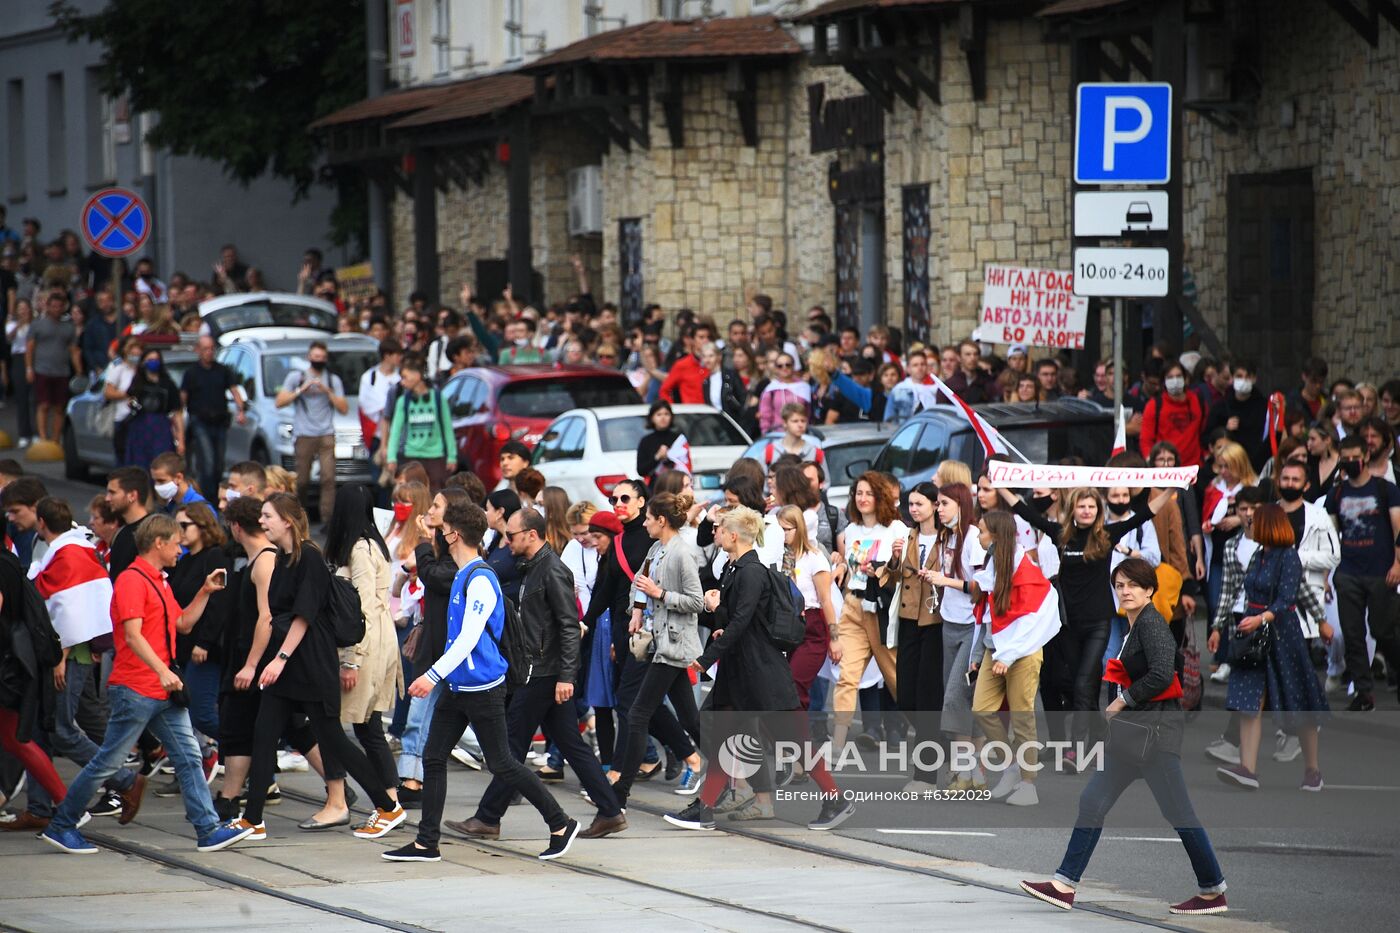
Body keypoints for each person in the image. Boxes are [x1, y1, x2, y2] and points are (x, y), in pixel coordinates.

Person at [1020, 559, 1227, 917]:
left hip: (1156, 736)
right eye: (1119, 585)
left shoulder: (1152, 624)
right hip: (1133, 736)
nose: (1125, 591)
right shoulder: (1135, 626)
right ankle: (1064, 884)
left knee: (1179, 813)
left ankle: (1212, 890)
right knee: (1092, 802)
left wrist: (1122, 700)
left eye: (1133, 585)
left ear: (1149, 590)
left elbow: (1163, 674)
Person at [40, 514, 253, 855]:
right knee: (108, 763)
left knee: (188, 756)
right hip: (137, 687)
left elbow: (181, 623)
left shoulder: (158, 580)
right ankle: (62, 824)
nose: (180, 549)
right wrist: (163, 671)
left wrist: (203, 592)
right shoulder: (133, 581)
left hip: (160, 689)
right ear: (159, 543)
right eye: (175, 543)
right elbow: (132, 635)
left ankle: (208, 828)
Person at [385, 501, 581, 862]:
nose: (440, 535)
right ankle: (427, 842)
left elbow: (470, 638)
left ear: (454, 534)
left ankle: (560, 822)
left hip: (482, 688)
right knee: (433, 756)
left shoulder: (480, 579)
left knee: (503, 762)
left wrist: (431, 676)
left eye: (442, 530)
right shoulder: (464, 575)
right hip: (459, 686)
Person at [665, 506, 853, 832]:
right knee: (724, 735)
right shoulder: (735, 569)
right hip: (742, 673)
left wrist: (706, 657)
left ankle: (835, 798)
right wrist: (715, 610)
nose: (716, 532)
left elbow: (741, 622)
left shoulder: (751, 572)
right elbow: (734, 621)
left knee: (794, 741)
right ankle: (706, 810)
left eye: (721, 528)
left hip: (762, 674)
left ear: (734, 535)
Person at [230, 494, 405, 842]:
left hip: (310, 663)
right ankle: (253, 819)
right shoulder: (281, 557)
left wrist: (278, 660)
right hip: (290, 664)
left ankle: (388, 806)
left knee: (334, 740)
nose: (262, 522)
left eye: (268, 516)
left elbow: (304, 616)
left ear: (288, 522)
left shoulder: (309, 557)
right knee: (264, 733)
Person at [457, 508, 627, 839]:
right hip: (538, 670)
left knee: (513, 744)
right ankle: (610, 810)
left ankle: (488, 817)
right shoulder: (533, 568)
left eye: (512, 536)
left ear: (531, 535)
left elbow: (568, 626)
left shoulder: (552, 570)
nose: (507, 544)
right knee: (569, 744)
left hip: (544, 673)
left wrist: (566, 676)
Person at [1002, 484, 1174, 739]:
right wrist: (1000, 485)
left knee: (1083, 683)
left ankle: (1075, 748)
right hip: (1069, 623)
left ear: (1098, 510)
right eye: (1081, 506)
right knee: (1082, 682)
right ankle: (1100, 731)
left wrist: (1172, 488)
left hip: (1098, 622)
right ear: (1073, 509)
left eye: (1091, 506)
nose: (1086, 511)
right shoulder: (1060, 534)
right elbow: (1025, 512)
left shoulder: (1107, 534)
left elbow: (1145, 513)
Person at [1209, 504, 1329, 791]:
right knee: (1249, 697)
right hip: (1252, 632)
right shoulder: (1259, 555)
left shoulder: (1288, 556)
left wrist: (1318, 619)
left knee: (1297, 696)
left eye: (1254, 521)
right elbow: (1238, 589)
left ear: (1268, 525)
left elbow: (1290, 596)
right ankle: (1247, 768)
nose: (1248, 524)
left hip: (1281, 633)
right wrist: (1219, 625)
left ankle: (1312, 770)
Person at [610, 492, 707, 810]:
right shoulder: (656, 548)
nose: (646, 522)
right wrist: (637, 608)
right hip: (659, 643)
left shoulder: (682, 553)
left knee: (637, 713)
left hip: (675, 646)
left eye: (649, 518)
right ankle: (738, 772)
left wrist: (661, 594)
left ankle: (620, 793)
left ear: (661, 521)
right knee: (691, 719)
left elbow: (696, 602)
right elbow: (639, 582)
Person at [320, 484, 403, 828]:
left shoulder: (359, 549)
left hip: (367, 645)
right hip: (379, 640)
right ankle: (388, 803)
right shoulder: (371, 544)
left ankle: (388, 805)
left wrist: (351, 659)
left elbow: (363, 605)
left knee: (361, 727)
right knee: (367, 728)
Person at [968, 510, 1062, 806]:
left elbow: (1033, 617)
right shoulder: (994, 561)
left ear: (995, 536)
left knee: (1022, 716)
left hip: (1022, 651)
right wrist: (979, 653)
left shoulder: (1023, 566)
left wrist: (1008, 656)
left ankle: (1028, 784)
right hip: (994, 648)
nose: (978, 535)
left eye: (982, 531)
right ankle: (1011, 765)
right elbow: (986, 615)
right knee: (982, 709)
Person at [1325, 434, 1400, 711]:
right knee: (1352, 632)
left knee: (1383, 630)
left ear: (1365, 456)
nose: (1350, 462)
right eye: (1345, 458)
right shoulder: (1337, 494)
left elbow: (1398, 528)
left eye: (1355, 457)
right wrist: (1327, 577)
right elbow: (1330, 539)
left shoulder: (1385, 489)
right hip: (1348, 572)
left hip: (1382, 571)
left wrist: (1398, 564)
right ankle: (1363, 693)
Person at [832, 473, 902, 746]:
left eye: (868, 494)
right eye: (858, 493)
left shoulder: (896, 529)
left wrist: (889, 564)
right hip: (853, 607)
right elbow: (851, 573)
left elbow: (902, 575)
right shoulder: (850, 531)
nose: (862, 499)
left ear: (880, 497)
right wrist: (839, 564)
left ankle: (930, 732)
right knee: (847, 678)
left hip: (882, 613)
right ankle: (838, 744)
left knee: (897, 678)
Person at [165, 502, 233, 763]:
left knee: (201, 712)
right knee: (182, 713)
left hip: (204, 649)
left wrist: (204, 642)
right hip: (183, 646)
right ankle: (195, 761)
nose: (179, 531)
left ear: (203, 526)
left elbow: (220, 603)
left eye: (184, 525)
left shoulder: (215, 557)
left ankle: (246, 750)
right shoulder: (185, 560)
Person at [890, 483, 944, 789]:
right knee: (906, 696)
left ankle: (926, 775)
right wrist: (896, 559)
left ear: (935, 505)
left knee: (928, 698)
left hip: (936, 621)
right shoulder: (908, 535)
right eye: (911, 504)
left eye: (920, 504)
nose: (914, 509)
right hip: (909, 618)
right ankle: (942, 743)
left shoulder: (947, 537)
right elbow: (891, 575)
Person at [275, 341, 347, 520]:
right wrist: (301, 390)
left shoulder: (332, 379)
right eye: (316, 357)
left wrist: (327, 391)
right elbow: (280, 402)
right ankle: (299, 515)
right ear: (309, 357)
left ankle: (327, 519)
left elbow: (344, 408)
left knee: (328, 478)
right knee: (302, 480)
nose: (319, 360)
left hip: (326, 433)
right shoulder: (297, 377)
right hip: (304, 434)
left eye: (322, 358)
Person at [181, 335, 247, 498]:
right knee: (207, 462)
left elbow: (234, 390)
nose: (209, 352)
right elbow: (183, 398)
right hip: (200, 421)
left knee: (218, 464)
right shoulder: (191, 373)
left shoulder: (222, 370)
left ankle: (215, 495)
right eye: (205, 349)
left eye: (212, 349)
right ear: (198, 350)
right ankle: (208, 497)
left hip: (219, 421)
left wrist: (241, 410)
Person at [385, 354, 456, 491]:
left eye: (405, 377)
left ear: (417, 375)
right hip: (411, 455)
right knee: (411, 494)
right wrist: (391, 457)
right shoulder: (403, 401)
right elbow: (395, 431)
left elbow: (447, 428)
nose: (402, 382)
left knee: (435, 494)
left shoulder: (437, 398)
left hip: (435, 456)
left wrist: (451, 456)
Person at [26, 290, 81, 445]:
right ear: (48, 307)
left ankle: (56, 439)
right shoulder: (37, 325)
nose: (56, 309)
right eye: (53, 306)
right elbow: (29, 347)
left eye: (59, 306)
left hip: (62, 371)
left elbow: (73, 350)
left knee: (59, 407)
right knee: (43, 405)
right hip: (42, 369)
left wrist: (79, 371)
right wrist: (29, 368)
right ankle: (43, 438)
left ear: (63, 307)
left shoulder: (68, 327)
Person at [124, 347, 184, 466]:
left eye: (156, 359)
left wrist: (181, 439)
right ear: (143, 362)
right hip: (140, 426)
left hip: (160, 427)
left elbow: (177, 413)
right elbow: (129, 399)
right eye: (150, 359)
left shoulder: (168, 384)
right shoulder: (138, 382)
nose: (153, 362)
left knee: (161, 462)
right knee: (140, 463)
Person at [1204, 359, 1268, 471]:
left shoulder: (1264, 406)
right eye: (1239, 376)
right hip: (1228, 467)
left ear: (1254, 379)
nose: (1243, 380)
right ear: (1232, 378)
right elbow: (1207, 438)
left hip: (1257, 466)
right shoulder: (1220, 407)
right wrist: (1225, 430)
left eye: (1248, 376)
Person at [1139, 359, 1205, 467]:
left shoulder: (1197, 400)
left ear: (1185, 378)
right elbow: (1146, 440)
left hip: (1194, 468)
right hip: (1166, 470)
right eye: (1170, 377)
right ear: (1163, 381)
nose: (1175, 380)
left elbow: (1203, 431)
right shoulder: (1154, 405)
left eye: (1179, 376)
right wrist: (1152, 463)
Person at [105, 467, 153, 580]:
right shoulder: (121, 533)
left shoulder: (152, 532)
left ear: (132, 496)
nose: (107, 498)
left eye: (113, 493)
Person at [483, 490, 524, 604]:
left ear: (500, 512)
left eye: (488, 509)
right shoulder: (495, 542)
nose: (485, 513)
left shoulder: (518, 545)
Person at [636, 401, 681, 480]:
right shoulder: (646, 441)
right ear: (652, 418)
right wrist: (657, 457)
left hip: (676, 485)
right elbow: (641, 470)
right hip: (655, 487)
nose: (663, 418)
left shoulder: (679, 439)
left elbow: (685, 465)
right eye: (659, 414)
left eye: (666, 414)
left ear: (671, 417)